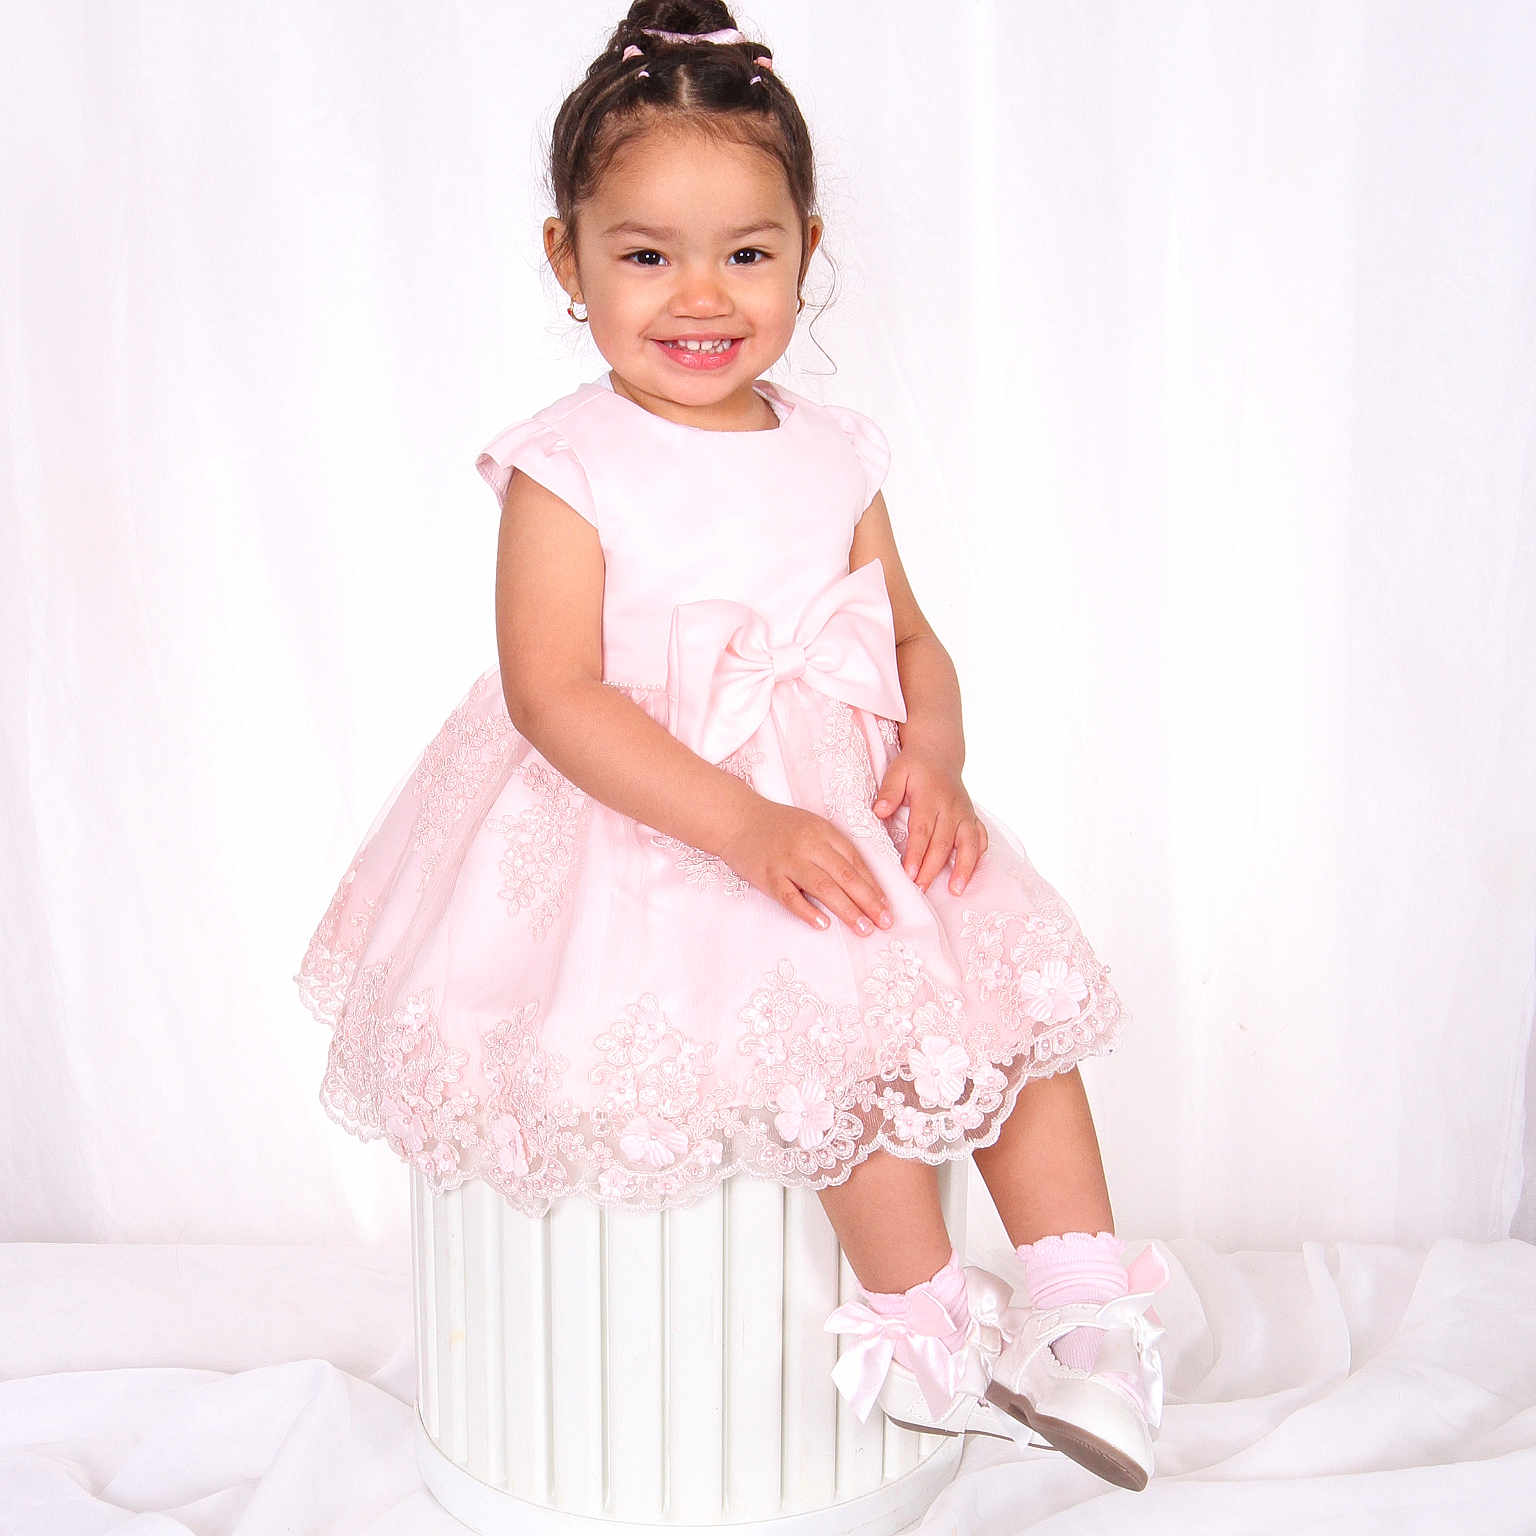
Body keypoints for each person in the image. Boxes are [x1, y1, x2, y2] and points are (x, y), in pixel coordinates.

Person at [294, 0, 1171, 1493]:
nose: (700, 294)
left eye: (747, 253)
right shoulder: (566, 465)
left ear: (806, 252)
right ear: (567, 260)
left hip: (846, 800)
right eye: (646, 254)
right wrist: (743, 828)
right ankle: (925, 1330)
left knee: (1003, 1017)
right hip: (655, 810)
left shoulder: (835, 450)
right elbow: (554, 694)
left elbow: (902, 638)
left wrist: (937, 758)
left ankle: (1083, 1323)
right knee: (832, 1045)